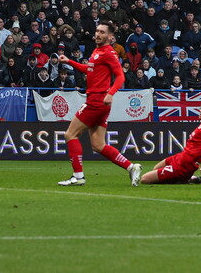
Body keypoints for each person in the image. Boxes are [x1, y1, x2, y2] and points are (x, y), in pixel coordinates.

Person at [55, 22, 141, 187]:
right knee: (98, 145)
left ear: (110, 36)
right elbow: (89, 69)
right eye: (97, 31)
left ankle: (78, 176)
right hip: (100, 103)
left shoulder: (109, 53)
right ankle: (131, 167)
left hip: (96, 100)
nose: (98, 34)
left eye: (102, 32)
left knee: (70, 135)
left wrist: (110, 93)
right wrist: (70, 62)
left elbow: (120, 76)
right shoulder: (97, 51)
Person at [139, 99, 201, 185]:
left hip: (183, 166)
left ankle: (182, 178)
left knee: (144, 179)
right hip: (180, 157)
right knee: (156, 168)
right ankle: (187, 178)